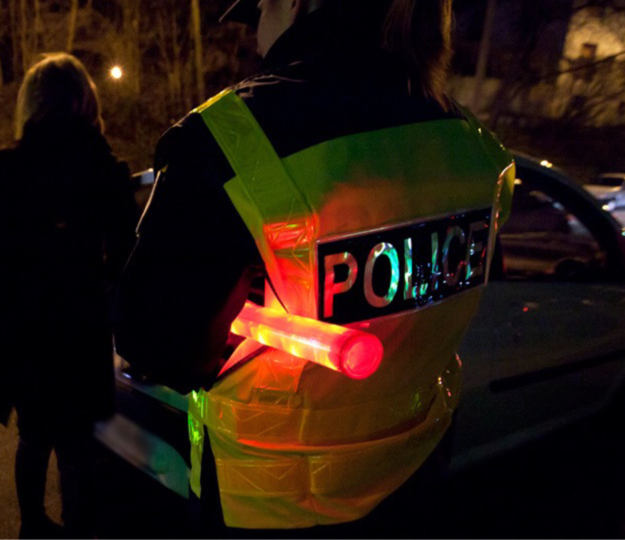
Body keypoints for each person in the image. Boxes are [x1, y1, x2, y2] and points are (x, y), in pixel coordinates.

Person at [115, 0, 514, 536]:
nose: (256, 32)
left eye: (257, 8)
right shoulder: (470, 143)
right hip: (415, 477)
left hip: (272, 504)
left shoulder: (227, 141)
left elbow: (152, 343)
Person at [0, 53, 138, 538]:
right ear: (86, 99)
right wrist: (94, 293)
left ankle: (33, 524)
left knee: (34, 434)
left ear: (31, 101)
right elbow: (126, 255)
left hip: (22, 331)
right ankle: (79, 523)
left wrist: (17, 299)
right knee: (80, 441)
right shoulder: (105, 169)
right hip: (81, 326)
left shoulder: (1, 168)